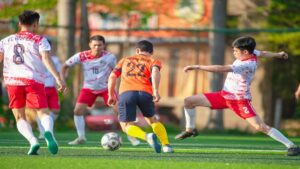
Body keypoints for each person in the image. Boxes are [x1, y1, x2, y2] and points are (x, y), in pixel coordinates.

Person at [175, 36, 300, 156]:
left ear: (245, 52)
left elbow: (221, 68)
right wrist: (278, 54)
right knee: (189, 101)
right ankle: (190, 130)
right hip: (224, 96)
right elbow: (263, 53)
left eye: (235, 51)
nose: (234, 53)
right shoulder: (251, 53)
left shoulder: (246, 64)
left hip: (240, 101)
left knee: (260, 126)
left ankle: (291, 146)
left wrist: (197, 66)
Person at [0, 10, 66, 155]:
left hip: (13, 81)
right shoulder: (39, 40)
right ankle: (48, 132)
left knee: (19, 116)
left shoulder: (5, 41)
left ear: (19, 23)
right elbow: (46, 59)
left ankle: (33, 141)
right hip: (33, 80)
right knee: (43, 112)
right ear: (35, 24)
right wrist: (58, 78)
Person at [108, 40, 173, 153]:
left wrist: (110, 94)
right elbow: (155, 72)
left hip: (127, 93)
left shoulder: (124, 60)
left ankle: (146, 137)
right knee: (153, 120)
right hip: (145, 93)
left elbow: (112, 76)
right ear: (151, 52)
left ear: (137, 50)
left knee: (127, 126)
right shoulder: (153, 61)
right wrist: (156, 91)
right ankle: (166, 146)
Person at [61, 35, 117, 145]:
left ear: (103, 46)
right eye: (94, 45)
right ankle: (81, 137)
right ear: (90, 45)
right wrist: (62, 80)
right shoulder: (82, 56)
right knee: (77, 111)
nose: (97, 47)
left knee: (120, 110)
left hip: (106, 88)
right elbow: (65, 66)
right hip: (88, 88)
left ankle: (131, 137)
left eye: (100, 45)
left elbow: (117, 72)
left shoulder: (110, 57)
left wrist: (114, 87)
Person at [36, 39, 62, 139]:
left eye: (49, 48)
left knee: (55, 110)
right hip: (39, 88)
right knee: (41, 111)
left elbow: (59, 72)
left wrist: (61, 81)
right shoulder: (36, 59)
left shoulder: (55, 60)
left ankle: (47, 127)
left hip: (51, 88)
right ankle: (42, 132)